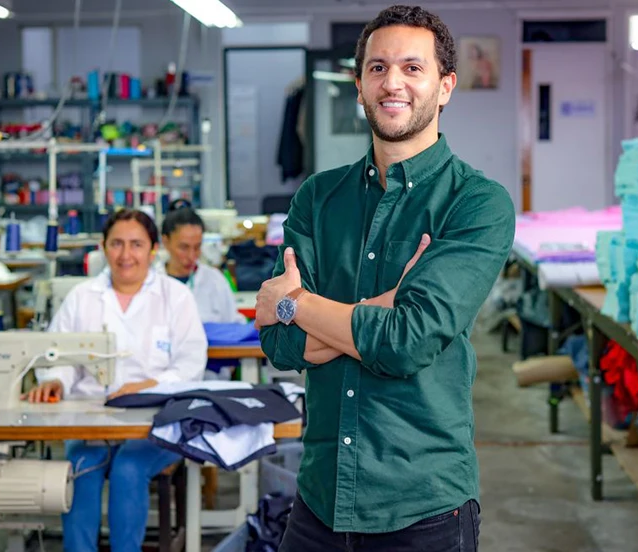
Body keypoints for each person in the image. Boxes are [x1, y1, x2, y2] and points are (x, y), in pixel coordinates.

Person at [256, 5, 515, 552]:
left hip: (422, 506)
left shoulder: (477, 203)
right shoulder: (317, 198)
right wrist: (382, 310)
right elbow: (279, 344)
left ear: (445, 87)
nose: (392, 82)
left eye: (412, 68)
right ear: (359, 85)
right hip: (320, 499)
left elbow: (407, 342)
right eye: (377, 68)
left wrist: (295, 303)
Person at [23, 208, 208, 552]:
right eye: (117, 244)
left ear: (153, 249)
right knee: (81, 468)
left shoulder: (176, 297)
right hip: (91, 419)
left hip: (156, 421)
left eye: (136, 244)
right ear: (103, 247)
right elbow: (58, 356)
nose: (126, 255)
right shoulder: (82, 297)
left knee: (128, 468)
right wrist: (57, 381)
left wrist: (149, 387)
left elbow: (191, 364)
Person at [159, 199, 245, 323]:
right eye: (184, 247)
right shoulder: (150, 282)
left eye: (197, 247)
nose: (191, 256)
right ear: (166, 241)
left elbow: (233, 323)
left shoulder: (215, 281)